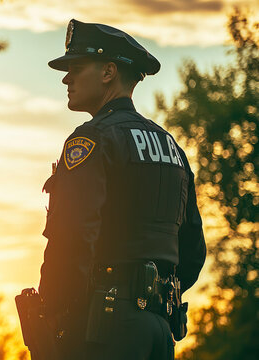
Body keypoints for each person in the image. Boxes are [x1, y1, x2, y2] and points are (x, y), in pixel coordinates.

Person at [38, 20, 207, 359]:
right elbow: (192, 251)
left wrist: (55, 315)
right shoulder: (171, 146)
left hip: (103, 329)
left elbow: (71, 240)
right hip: (160, 328)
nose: (66, 78)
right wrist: (152, 298)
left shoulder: (92, 139)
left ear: (108, 72)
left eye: (76, 67)